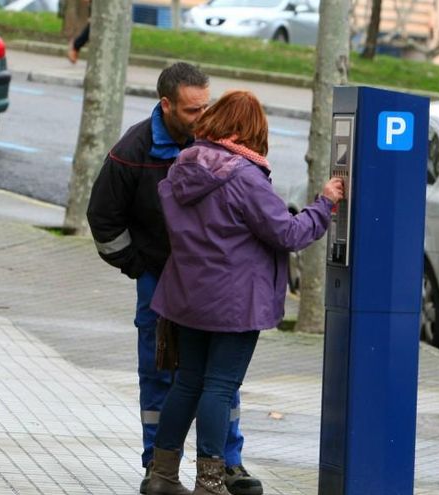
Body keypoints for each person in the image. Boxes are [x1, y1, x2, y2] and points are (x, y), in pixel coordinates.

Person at [145, 90, 344, 495]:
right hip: (233, 304)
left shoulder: (182, 166)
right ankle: (210, 482)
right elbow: (288, 233)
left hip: (187, 297)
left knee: (187, 383)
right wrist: (323, 204)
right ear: (246, 131)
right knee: (219, 387)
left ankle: (161, 476)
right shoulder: (243, 177)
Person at [87, 65, 264, 495]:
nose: (202, 117)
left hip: (211, 285)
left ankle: (227, 465)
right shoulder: (134, 150)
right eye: (191, 110)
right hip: (160, 282)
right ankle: (158, 467)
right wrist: (141, 267)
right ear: (165, 105)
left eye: (207, 106)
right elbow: (103, 220)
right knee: (162, 374)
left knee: (219, 379)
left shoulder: (216, 143)